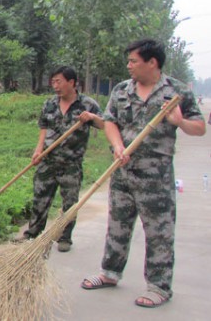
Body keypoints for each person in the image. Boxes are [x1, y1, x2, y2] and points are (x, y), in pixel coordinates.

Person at [81, 39, 205, 308]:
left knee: (159, 232)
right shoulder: (122, 90)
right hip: (123, 170)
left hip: (156, 177)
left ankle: (159, 286)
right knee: (117, 226)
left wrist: (179, 121)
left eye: (133, 61)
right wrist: (117, 146)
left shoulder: (176, 92)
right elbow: (110, 122)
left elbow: (199, 127)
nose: (129, 66)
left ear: (152, 62)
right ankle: (110, 272)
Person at [23, 66, 104, 252]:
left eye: (59, 81)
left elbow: (105, 124)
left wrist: (91, 117)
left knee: (69, 203)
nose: (55, 86)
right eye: (53, 82)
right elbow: (43, 127)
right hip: (48, 160)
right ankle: (33, 234)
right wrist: (38, 150)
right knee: (40, 199)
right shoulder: (49, 103)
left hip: (71, 164)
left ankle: (64, 237)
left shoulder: (88, 104)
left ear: (72, 82)